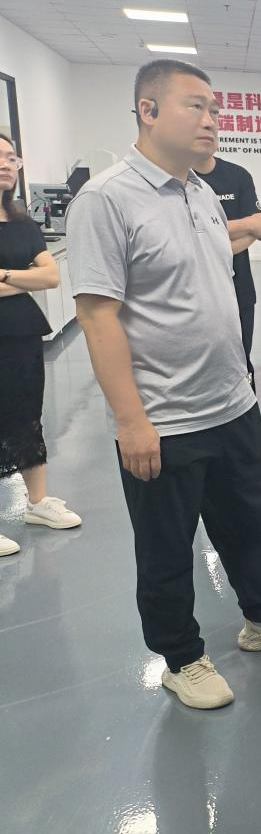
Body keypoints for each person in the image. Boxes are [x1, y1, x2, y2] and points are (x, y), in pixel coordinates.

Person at [68, 59, 261, 711]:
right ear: (148, 111)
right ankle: (181, 658)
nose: (213, 120)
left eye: (216, 109)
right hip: (163, 416)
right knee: (166, 549)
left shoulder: (201, 193)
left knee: (250, 526)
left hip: (232, 403)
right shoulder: (106, 200)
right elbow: (97, 316)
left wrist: (242, 386)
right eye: (196, 106)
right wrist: (132, 421)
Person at [0, 132, 83, 557]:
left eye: (11, 157)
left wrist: (4, 277)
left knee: (27, 415)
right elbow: (37, 276)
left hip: (21, 332)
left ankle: (37, 503)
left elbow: (50, 276)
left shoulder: (22, 224)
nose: (6, 164)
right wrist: (23, 277)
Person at [193, 144, 261, 462]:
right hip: (195, 292)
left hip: (239, 289)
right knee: (200, 365)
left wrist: (208, 240)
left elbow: (259, 229)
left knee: (242, 362)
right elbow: (185, 233)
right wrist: (241, 226)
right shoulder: (179, 179)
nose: (207, 127)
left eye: (214, 121)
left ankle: (252, 441)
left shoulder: (237, 176)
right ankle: (206, 440)